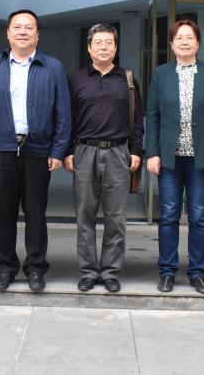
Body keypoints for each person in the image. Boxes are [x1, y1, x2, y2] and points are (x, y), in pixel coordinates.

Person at [0, 10, 71, 293]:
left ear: (38, 35)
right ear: (8, 33)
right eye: (17, 27)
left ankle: (36, 268)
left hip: (38, 151)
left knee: (36, 214)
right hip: (2, 150)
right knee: (3, 213)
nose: (23, 32)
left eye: (29, 27)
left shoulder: (53, 67)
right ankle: (6, 267)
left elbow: (63, 113)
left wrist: (57, 150)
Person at [145, 19, 204, 295]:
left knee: (199, 216)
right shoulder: (161, 73)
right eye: (179, 37)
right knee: (169, 214)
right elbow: (153, 116)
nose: (184, 41)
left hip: (200, 157)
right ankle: (167, 271)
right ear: (171, 44)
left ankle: (197, 272)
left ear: (198, 43)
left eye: (189, 37)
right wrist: (152, 152)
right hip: (169, 158)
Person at [64, 23, 143, 293]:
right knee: (84, 216)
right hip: (85, 151)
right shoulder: (76, 79)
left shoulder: (128, 79)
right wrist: (68, 151)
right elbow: (68, 118)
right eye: (98, 42)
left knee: (115, 217)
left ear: (116, 47)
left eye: (109, 42)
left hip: (118, 152)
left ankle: (110, 272)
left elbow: (137, 120)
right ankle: (88, 271)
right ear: (89, 48)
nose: (103, 47)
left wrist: (136, 150)